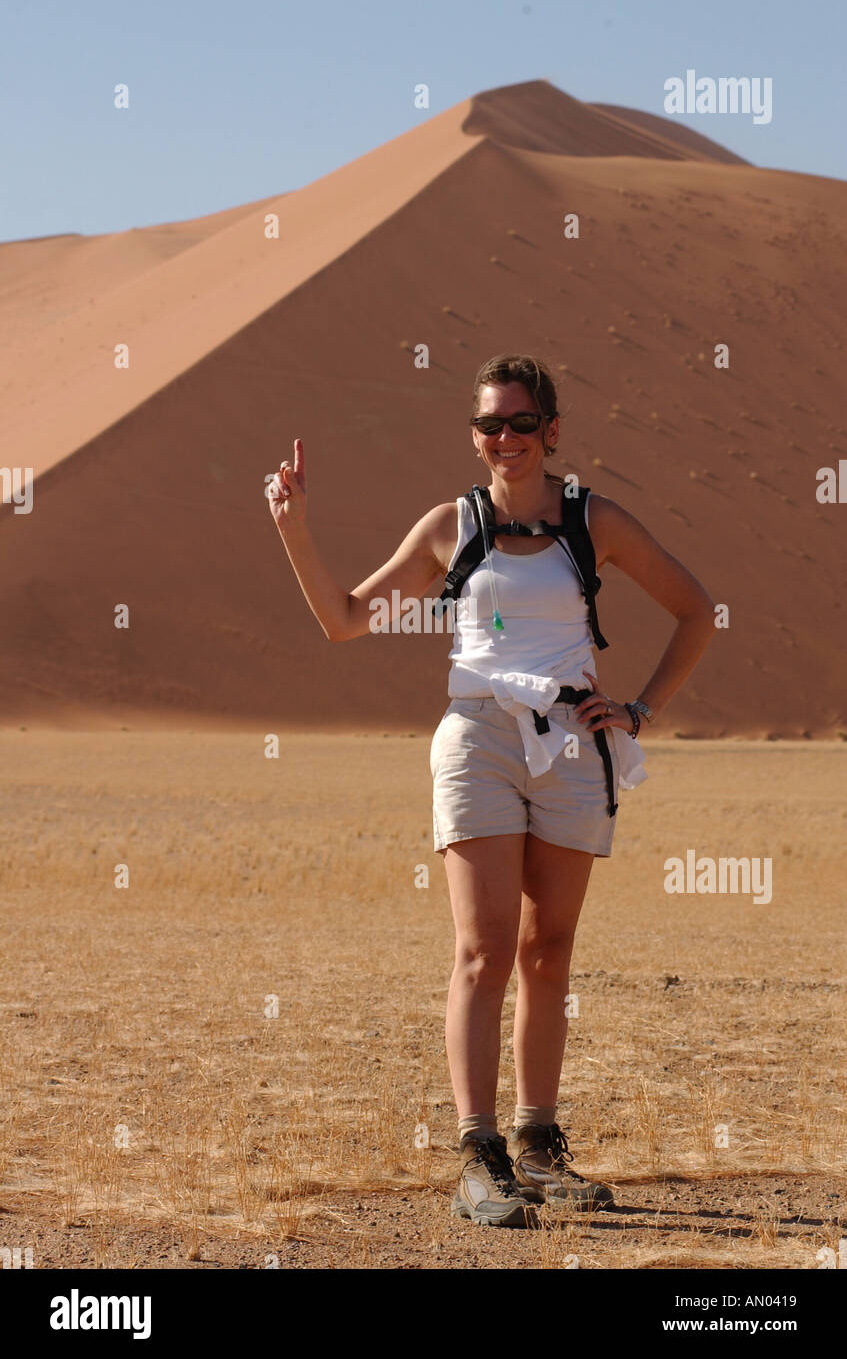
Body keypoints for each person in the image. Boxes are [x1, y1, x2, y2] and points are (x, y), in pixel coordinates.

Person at [268, 352, 717, 1230]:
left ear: (550, 430)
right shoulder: (450, 526)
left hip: (572, 747)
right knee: (484, 950)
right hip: (476, 739)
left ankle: (539, 1147)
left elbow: (696, 609)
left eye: (519, 423)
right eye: (488, 425)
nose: (503, 439)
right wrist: (294, 529)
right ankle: (479, 1158)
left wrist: (639, 710)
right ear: (472, 437)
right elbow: (344, 621)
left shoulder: (595, 520)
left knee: (548, 948)